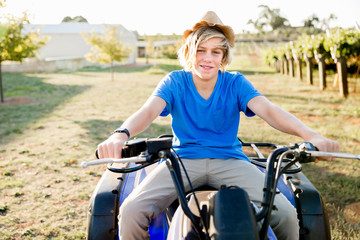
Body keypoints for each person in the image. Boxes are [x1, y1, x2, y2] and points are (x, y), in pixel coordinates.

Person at [97, 11, 339, 240]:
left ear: (224, 56)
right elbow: (148, 111)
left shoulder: (235, 83)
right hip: (184, 161)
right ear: (189, 51)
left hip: (229, 161)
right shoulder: (175, 81)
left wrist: (311, 135)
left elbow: (270, 111)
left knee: (286, 214)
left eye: (215, 52)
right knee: (130, 211)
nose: (207, 58)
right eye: (201, 50)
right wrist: (120, 134)